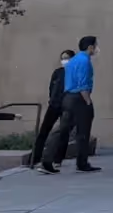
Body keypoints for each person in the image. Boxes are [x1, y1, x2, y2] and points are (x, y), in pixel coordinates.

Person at [43, 35, 102, 174]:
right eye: (96, 45)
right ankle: (82, 163)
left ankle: (47, 159)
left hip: (68, 97)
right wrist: (87, 101)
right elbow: (83, 84)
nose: (97, 48)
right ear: (90, 47)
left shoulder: (73, 61)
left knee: (61, 130)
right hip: (79, 98)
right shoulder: (84, 61)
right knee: (83, 131)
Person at [31, 49, 75, 170]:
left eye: (67, 58)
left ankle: (58, 159)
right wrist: (52, 99)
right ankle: (35, 158)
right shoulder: (58, 72)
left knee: (63, 132)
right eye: (62, 58)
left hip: (67, 105)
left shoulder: (76, 72)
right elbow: (52, 88)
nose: (64, 60)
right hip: (54, 105)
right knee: (44, 131)